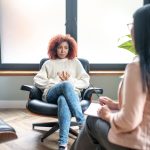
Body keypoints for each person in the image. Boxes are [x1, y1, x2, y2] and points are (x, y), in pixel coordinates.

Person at [71, 4, 150, 150]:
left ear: (142, 31)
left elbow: (129, 121)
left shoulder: (138, 67)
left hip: (135, 143)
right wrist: (117, 105)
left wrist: (107, 114)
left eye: (133, 24)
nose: (131, 28)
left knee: (92, 120)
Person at [33, 34, 90, 150]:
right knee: (65, 84)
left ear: (70, 49)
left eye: (66, 47)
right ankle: (82, 122)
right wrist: (56, 83)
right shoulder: (49, 63)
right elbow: (37, 80)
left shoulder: (75, 63)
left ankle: (63, 144)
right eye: (60, 47)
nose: (63, 50)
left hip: (71, 95)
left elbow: (85, 81)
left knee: (63, 98)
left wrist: (70, 82)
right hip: (51, 94)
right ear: (55, 48)